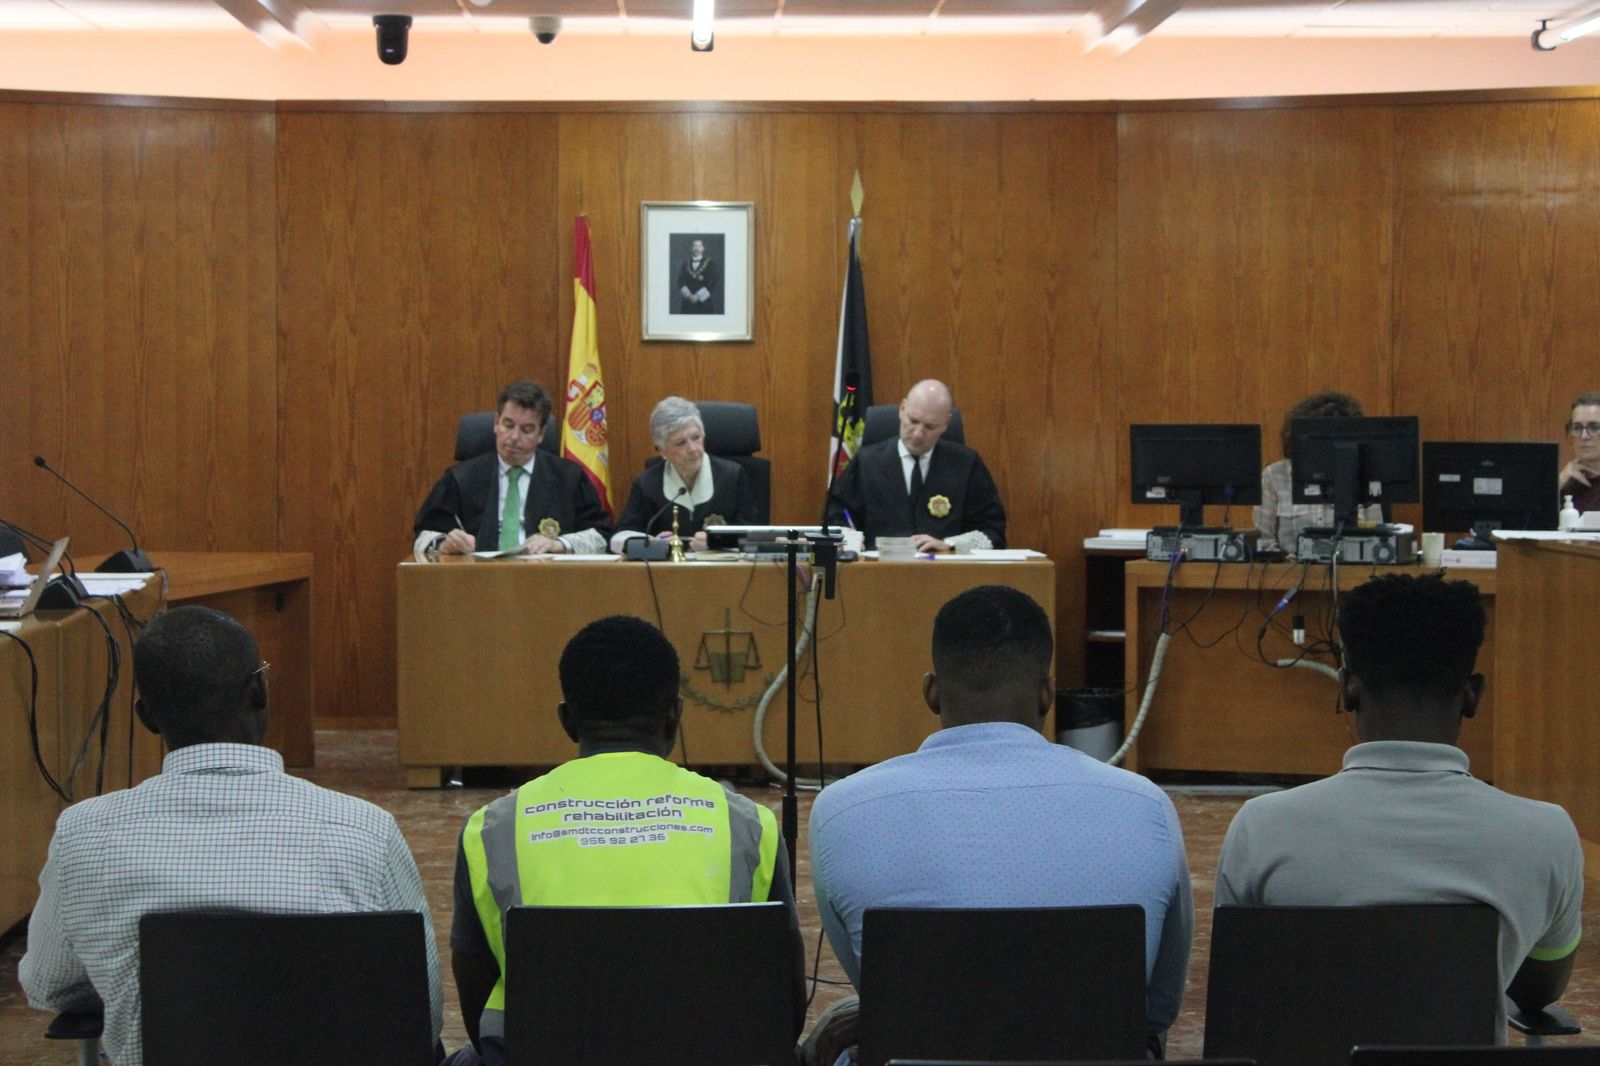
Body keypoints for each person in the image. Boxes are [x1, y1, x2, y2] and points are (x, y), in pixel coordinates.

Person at [19, 606, 443, 1066]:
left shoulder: (84, 835)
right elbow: (422, 1008)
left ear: (147, 718)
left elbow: (49, 985)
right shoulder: (364, 831)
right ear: (259, 690)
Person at [807, 586, 1192, 1060]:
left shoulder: (840, 810)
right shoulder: (1146, 806)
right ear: (1047, 694)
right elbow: (1154, 1010)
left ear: (931, 692)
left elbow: (879, 988)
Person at [1215, 573, 1583, 1033]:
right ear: (1472, 696)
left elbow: (1244, 993)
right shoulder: (1546, 834)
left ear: (1347, 687)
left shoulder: (1262, 827)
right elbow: (1537, 992)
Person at [446, 615, 803, 1066]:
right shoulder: (748, 824)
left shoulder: (491, 828)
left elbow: (478, 1007)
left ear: (567, 720)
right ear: (675, 716)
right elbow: (783, 1006)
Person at [413, 379, 611, 556]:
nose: (514, 437)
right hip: (476, 583)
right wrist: (445, 544)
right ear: (496, 423)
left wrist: (559, 543)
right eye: (508, 425)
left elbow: (602, 536)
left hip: (547, 581)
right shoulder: (461, 478)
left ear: (541, 434)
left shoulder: (569, 478)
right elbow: (424, 534)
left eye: (526, 430)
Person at [827, 379, 1006, 552]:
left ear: (946, 424)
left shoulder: (966, 464)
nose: (918, 434)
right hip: (878, 572)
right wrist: (849, 537)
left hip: (947, 573)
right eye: (913, 421)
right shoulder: (866, 462)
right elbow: (835, 518)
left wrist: (950, 544)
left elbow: (992, 530)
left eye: (930, 426)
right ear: (902, 409)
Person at [609, 396, 760, 554]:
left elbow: (755, 536)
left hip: (723, 574)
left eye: (696, 437)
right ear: (662, 450)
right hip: (666, 575)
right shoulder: (647, 483)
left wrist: (717, 542)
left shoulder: (732, 476)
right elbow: (618, 538)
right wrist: (649, 544)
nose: (693, 449)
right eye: (681, 443)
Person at [1253, 390, 1384, 555]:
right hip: (1289, 576)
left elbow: (1376, 537)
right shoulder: (1274, 476)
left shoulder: (1364, 476)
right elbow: (1263, 542)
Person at [1559, 391, 1600, 514]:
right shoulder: (1565, 482)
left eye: (1594, 427)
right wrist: (1557, 485)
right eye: (1577, 428)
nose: (1584, 436)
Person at [676, 238, 721, 314]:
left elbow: (712, 281)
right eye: (694, 246)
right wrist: (689, 295)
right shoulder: (685, 264)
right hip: (688, 303)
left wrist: (698, 296)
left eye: (699, 246)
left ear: (703, 248)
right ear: (691, 248)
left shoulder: (710, 263)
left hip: (705, 303)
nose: (697, 248)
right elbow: (681, 280)